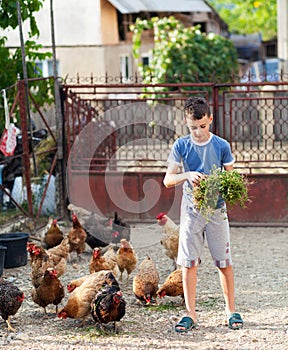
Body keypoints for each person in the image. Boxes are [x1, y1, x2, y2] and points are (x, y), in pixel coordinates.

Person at [163, 96, 243, 332]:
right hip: (191, 211)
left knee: (223, 262)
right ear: (186, 123)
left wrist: (219, 182)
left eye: (202, 126)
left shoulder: (221, 145)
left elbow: (232, 178)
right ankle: (190, 314)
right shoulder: (181, 146)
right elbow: (168, 179)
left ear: (210, 119)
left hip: (217, 210)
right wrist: (187, 176)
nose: (198, 132)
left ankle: (231, 310)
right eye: (192, 128)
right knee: (188, 264)